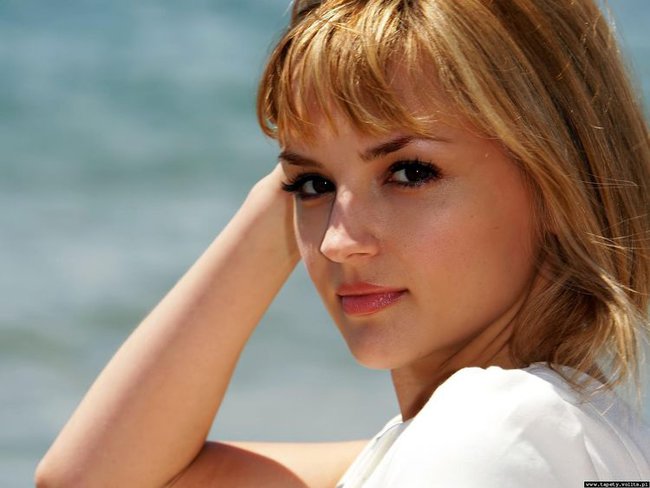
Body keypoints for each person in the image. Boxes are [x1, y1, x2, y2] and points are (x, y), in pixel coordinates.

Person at [36, 0, 650, 486]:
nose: (337, 241)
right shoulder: (562, 430)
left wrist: (318, 169)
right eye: (312, 185)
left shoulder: (487, 435)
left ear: (556, 181)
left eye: (411, 172)